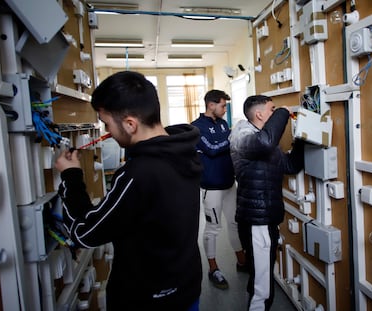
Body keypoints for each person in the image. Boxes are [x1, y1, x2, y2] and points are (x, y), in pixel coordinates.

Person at [55, 71, 202, 311]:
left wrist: (71, 176)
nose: (107, 132)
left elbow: (85, 233)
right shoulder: (183, 149)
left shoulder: (139, 173)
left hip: (147, 300)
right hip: (186, 288)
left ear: (130, 124)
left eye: (107, 124)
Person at [229, 95, 304, 311]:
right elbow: (265, 142)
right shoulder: (242, 135)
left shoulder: (263, 141)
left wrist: (302, 138)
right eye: (272, 109)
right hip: (256, 221)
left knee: (261, 276)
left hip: (265, 218)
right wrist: (283, 111)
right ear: (259, 114)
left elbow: (289, 165)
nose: (276, 113)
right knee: (262, 288)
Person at [191, 89, 246, 290]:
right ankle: (213, 268)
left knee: (234, 223)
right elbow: (212, 149)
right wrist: (233, 137)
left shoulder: (222, 124)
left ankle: (242, 262)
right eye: (223, 105)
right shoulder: (195, 128)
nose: (225, 109)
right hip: (211, 186)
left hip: (230, 184)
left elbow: (227, 148)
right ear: (211, 105)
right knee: (213, 229)